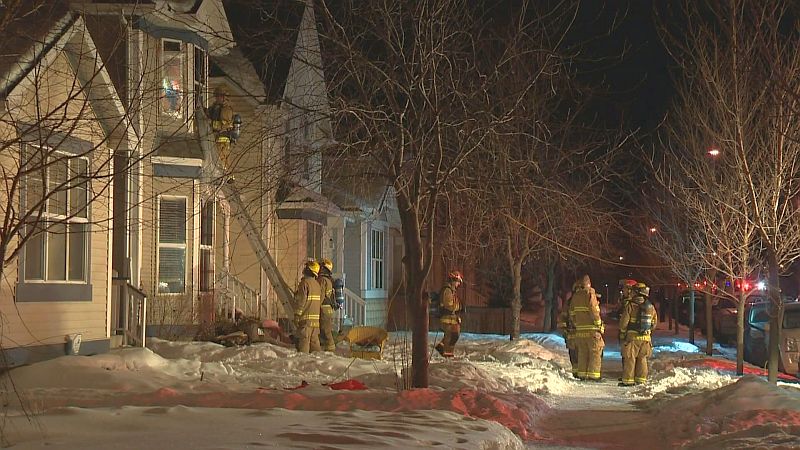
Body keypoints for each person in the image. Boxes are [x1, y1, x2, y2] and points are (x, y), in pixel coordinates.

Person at [618, 282, 658, 386]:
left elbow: (624, 323)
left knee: (630, 359)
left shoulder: (630, 305)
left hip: (632, 338)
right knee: (642, 359)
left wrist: (622, 334)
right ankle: (641, 380)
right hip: (646, 339)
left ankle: (628, 381)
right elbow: (654, 323)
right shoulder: (651, 307)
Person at [569, 274, 604, 381]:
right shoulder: (590, 294)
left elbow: (572, 313)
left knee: (582, 353)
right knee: (595, 353)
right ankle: (594, 376)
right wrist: (599, 323)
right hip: (592, 331)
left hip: (580, 331)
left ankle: (582, 374)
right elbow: (593, 310)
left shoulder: (575, 296)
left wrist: (577, 324)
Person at [293, 260, 322, 353]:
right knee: (315, 350)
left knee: (303, 349)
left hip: (306, 323)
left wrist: (297, 315)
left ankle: (302, 366)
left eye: (306, 268)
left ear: (309, 271)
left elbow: (301, 301)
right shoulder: (317, 285)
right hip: (315, 323)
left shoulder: (304, 283)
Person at [435, 270, 464, 358]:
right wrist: (458, 308)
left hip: (452, 318)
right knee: (450, 335)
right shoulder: (447, 290)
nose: (458, 284)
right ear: (453, 281)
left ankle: (442, 348)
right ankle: (447, 354)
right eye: (458, 282)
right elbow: (449, 305)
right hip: (447, 318)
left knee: (455, 334)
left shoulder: (452, 291)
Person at [207, 85, 234, 173]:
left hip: (222, 139)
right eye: (216, 96)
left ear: (223, 97)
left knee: (222, 158)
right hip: (214, 138)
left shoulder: (226, 109)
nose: (217, 98)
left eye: (218, 96)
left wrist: (211, 124)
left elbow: (225, 125)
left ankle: (227, 175)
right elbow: (208, 114)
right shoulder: (215, 107)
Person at [557, 288, 579, 378]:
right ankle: (577, 373)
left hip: (576, 334)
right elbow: (563, 317)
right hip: (573, 333)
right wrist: (565, 330)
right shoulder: (570, 303)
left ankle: (578, 373)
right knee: (574, 354)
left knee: (576, 354)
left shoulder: (570, 302)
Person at [317, 258, 336, 352]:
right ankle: (326, 348)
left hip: (324, 308)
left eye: (321, 266)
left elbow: (320, 296)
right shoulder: (329, 279)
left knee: (325, 330)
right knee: (324, 329)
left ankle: (330, 350)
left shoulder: (322, 280)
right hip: (328, 308)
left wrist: (315, 307)